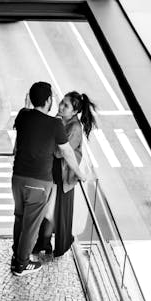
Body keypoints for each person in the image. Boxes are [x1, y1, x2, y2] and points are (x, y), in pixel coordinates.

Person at [11, 82, 86, 276]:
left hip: (17, 178)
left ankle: (15, 256)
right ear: (48, 101)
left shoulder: (22, 115)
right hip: (38, 182)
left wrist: (27, 104)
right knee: (31, 224)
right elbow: (67, 152)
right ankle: (21, 264)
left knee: (20, 218)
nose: (57, 103)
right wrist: (79, 174)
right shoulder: (54, 124)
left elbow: (25, 128)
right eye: (54, 99)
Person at [33, 91, 97, 258]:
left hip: (63, 177)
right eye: (61, 102)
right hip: (52, 173)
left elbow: (60, 152)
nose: (60, 106)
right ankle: (44, 243)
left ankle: (51, 244)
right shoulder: (59, 119)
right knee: (48, 211)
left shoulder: (74, 127)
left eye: (66, 105)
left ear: (75, 111)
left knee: (53, 213)